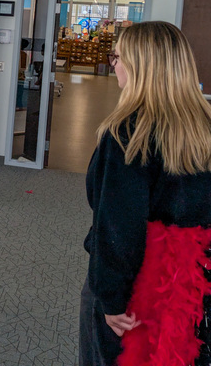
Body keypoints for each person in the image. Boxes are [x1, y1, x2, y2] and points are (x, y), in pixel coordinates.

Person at [80, 21, 211, 366]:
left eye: (118, 57)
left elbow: (118, 227)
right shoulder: (206, 128)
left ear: (141, 65)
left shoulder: (127, 134)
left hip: (135, 288)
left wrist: (111, 299)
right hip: (188, 285)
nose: (114, 65)